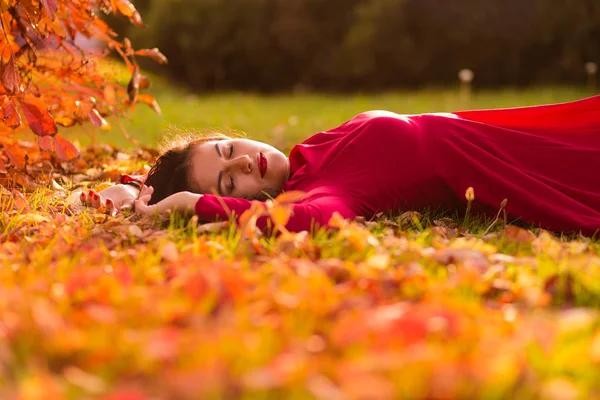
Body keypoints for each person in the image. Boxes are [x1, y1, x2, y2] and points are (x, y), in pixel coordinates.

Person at [81, 95, 600, 236]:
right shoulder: (319, 193)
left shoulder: (311, 157)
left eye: (225, 149)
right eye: (230, 179)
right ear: (245, 199)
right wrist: (191, 203)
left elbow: (148, 178)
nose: (242, 158)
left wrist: (132, 187)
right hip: (529, 165)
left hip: (516, 134)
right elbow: (321, 222)